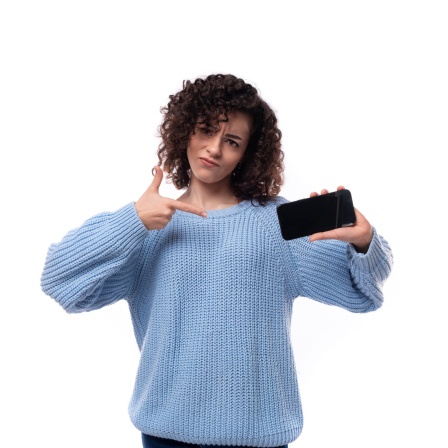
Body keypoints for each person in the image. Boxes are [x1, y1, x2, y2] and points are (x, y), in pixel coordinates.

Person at [41, 73, 393, 448]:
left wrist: (365, 242)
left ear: (247, 154)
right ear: (184, 133)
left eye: (232, 141)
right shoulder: (148, 225)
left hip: (259, 435)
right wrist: (132, 220)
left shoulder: (275, 225)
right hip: (166, 433)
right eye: (205, 131)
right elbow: (59, 280)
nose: (214, 149)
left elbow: (364, 293)